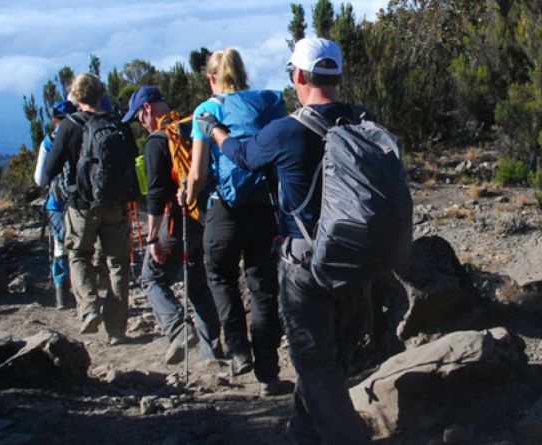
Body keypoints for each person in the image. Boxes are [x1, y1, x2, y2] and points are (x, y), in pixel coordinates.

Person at [196, 37, 373, 445]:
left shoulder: (287, 132)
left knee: (314, 364)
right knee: (334, 362)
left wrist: (217, 131)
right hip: (359, 259)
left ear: (298, 75)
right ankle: (301, 434)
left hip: (306, 263)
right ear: (339, 75)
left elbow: (243, 157)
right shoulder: (365, 119)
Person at [180, 48, 284, 395]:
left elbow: (196, 174)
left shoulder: (206, 111)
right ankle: (269, 373)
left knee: (220, 277)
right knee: (264, 287)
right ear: (242, 73)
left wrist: (187, 197)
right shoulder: (269, 102)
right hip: (266, 208)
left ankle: (239, 352)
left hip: (224, 210)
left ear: (212, 78)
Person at [122, 86, 223, 365]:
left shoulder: (157, 141)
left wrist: (153, 238)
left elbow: (156, 195)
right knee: (199, 283)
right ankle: (213, 353)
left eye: (139, 118)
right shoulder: (194, 125)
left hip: (180, 219)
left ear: (147, 109)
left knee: (151, 276)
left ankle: (179, 330)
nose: (140, 125)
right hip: (209, 216)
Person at [44, 73, 136, 345]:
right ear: (101, 93)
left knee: (79, 255)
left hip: (82, 205)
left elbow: (50, 169)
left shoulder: (69, 126)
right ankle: (117, 329)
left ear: (76, 96)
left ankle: (89, 309)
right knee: (119, 264)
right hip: (116, 205)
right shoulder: (118, 124)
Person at [34, 99, 77, 309]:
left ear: (54, 119)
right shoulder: (83, 135)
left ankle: (62, 296)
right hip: (80, 202)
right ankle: (85, 294)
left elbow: (40, 179)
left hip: (57, 203)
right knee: (82, 248)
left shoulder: (49, 141)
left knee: (60, 247)